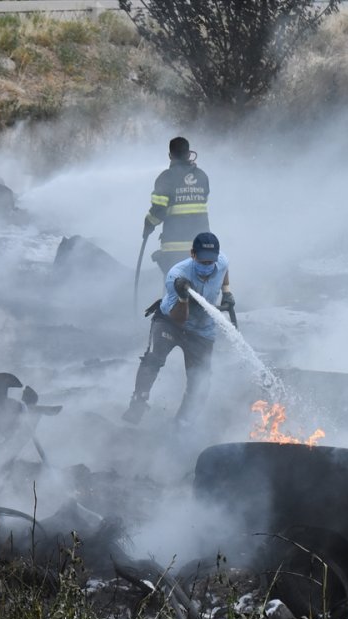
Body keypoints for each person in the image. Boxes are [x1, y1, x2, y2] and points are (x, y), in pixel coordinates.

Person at [122, 232, 236, 426]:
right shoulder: (177, 275)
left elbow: (224, 271)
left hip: (202, 330)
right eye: (203, 261)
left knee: (200, 380)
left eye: (211, 262)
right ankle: (138, 403)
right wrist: (183, 298)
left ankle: (183, 424)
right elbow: (179, 318)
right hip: (171, 322)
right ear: (193, 254)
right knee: (154, 359)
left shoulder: (221, 261)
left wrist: (227, 293)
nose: (207, 267)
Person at [143, 136, 210, 275]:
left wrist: (148, 224)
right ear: (188, 153)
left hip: (174, 249)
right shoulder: (202, 176)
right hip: (202, 248)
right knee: (199, 290)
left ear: (170, 155)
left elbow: (158, 211)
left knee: (174, 290)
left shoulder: (166, 178)